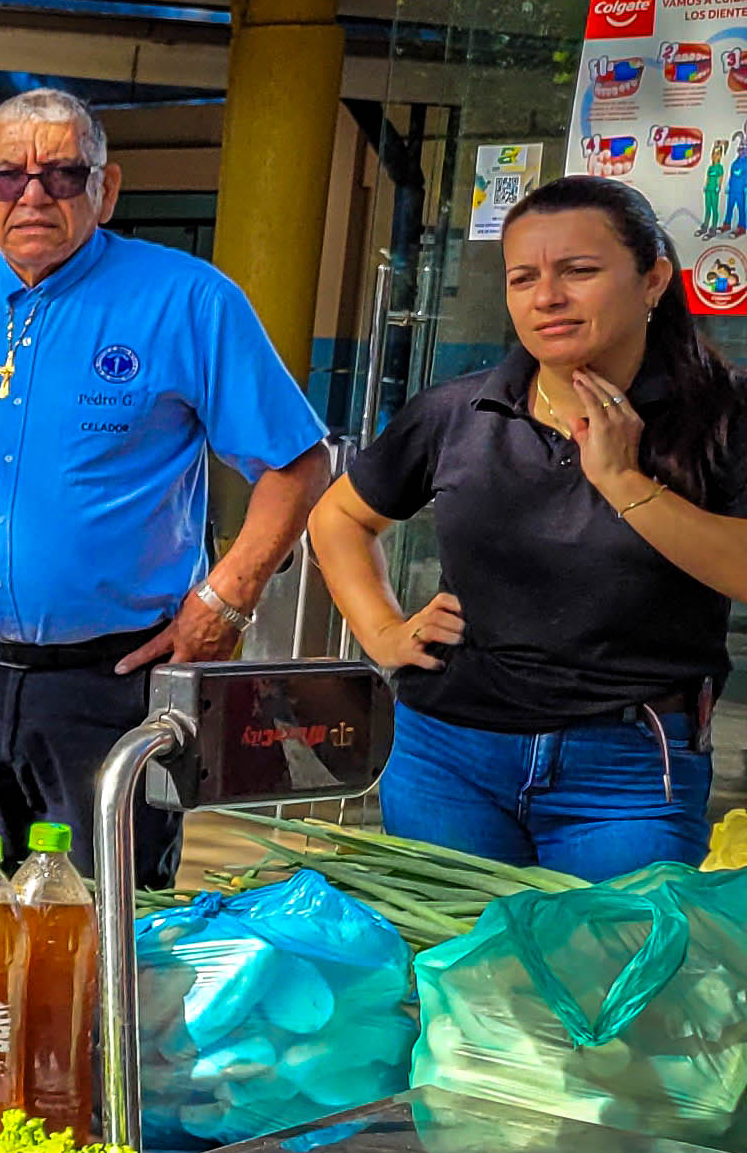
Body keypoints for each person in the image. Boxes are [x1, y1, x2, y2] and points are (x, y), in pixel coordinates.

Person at [0, 89, 330, 885]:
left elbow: (298, 463)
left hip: (114, 683)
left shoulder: (189, 301)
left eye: (64, 175)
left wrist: (226, 601)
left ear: (107, 189)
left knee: (108, 929)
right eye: (7, 179)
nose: (33, 195)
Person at [313, 179, 747, 875]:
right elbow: (338, 515)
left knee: (607, 976)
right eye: (524, 278)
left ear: (653, 279)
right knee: (453, 972)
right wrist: (383, 632)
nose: (547, 297)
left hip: (628, 769)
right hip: (448, 755)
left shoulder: (723, 415)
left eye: (579, 271)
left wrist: (624, 482)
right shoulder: (457, 411)